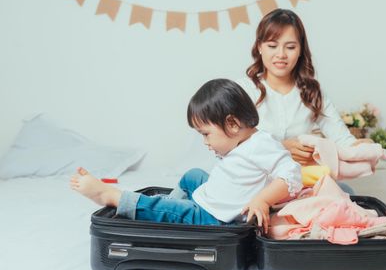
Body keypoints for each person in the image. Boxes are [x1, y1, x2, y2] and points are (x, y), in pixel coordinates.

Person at [70, 79, 302, 233]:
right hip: (213, 198)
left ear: (231, 124)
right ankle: (176, 202)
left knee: (168, 210)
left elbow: (292, 175)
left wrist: (262, 200)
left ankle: (110, 195)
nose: (205, 142)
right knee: (193, 175)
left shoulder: (261, 145)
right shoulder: (241, 143)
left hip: (214, 217)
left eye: (206, 134)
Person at [238, 9, 369, 194]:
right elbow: (230, 148)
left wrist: (366, 149)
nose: (281, 54)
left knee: (346, 192)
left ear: (300, 50)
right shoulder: (243, 91)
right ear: (260, 46)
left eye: (290, 47)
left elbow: (343, 140)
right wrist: (281, 148)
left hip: (297, 186)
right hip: (254, 184)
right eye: (272, 45)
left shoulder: (312, 94)